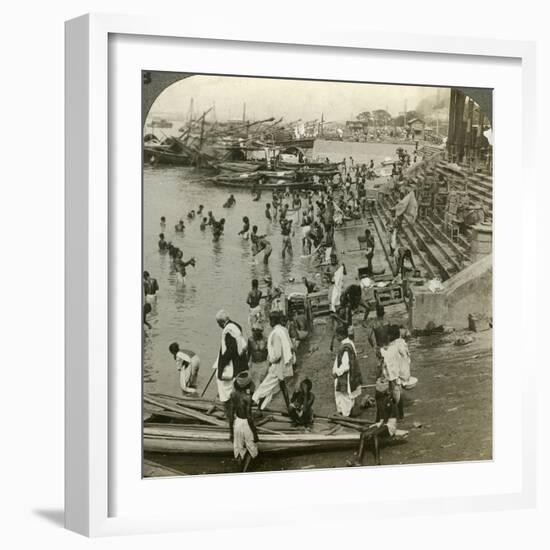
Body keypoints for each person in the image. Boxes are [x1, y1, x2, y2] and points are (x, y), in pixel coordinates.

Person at [253, 311, 296, 413]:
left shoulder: (275, 334)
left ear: (272, 321)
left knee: (265, 387)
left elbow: (277, 355)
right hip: (285, 365)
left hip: (278, 366)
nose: (269, 323)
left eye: (270, 320)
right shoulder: (284, 330)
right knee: (281, 385)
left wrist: (271, 360)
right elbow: (291, 347)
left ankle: (257, 406)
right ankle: (288, 405)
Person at [213, 310, 249, 417]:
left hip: (233, 364)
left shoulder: (227, 331)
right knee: (236, 387)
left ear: (220, 322)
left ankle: (230, 414)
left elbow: (230, 350)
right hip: (240, 362)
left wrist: (222, 365)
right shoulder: (236, 326)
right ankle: (237, 411)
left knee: (224, 387)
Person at [228, 371, 259, 472]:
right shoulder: (248, 398)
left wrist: (231, 432)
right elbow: (249, 417)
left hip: (237, 423)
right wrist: (255, 433)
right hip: (246, 424)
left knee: (238, 448)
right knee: (252, 448)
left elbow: (230, 414)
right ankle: (245, 471)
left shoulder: (233, 395)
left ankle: (239, 469)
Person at [332, 326, 363, 417]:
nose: (336, 338)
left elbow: (346, 366)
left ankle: (345, 415)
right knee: (347, 395)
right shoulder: (349, 343)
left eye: (337, 336)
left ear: (341, 335)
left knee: (344, 395)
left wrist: (337, 373)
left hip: (345, 375)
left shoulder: (345, 347)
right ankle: (347, 412)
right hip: (350, 374)